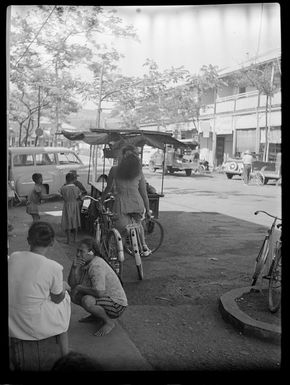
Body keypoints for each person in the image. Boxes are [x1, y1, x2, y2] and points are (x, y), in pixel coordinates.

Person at [8, 221, 71, 367]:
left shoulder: (15, 256)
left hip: (12, 320)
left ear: (29, 240)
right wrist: (63, 288)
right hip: (31, 325)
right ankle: (65, 354)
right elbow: (57, 299)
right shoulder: (53, 267)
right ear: (52, 243)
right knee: (65, 298)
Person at [68, 238, 128, 337]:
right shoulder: (86, 262)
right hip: (106, 299)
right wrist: (74, 268)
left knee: (87, 300)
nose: (78, 254)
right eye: (77, 251)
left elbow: (99, 292)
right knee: (72, 294)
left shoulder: (96, 266)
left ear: (91, 253)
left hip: (117, 304)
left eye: (81, 251)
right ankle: (96, 316)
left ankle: (109, 322)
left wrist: (79, 287)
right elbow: (73, 285)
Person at [101, 145, 152, 256]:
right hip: (137, 204)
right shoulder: (139, 172)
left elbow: (108, 188)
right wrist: (148, 210)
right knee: (138, 224)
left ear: (122, 157)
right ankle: (144, 246)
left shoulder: (114, 170)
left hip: (121, 205)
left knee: (121, 232)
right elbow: (144, 193)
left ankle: (118, 256)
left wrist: (101, 201)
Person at [60, 172, 82, 244]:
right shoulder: (76, 188)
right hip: (75, 206)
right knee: (75, 222)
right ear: (74, 180)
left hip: (67, 206)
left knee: (68, 223)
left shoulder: (63, 188)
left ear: (66, 179)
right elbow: (79, 196)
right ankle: (75, 239)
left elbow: (60, 195)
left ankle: (68, 240)